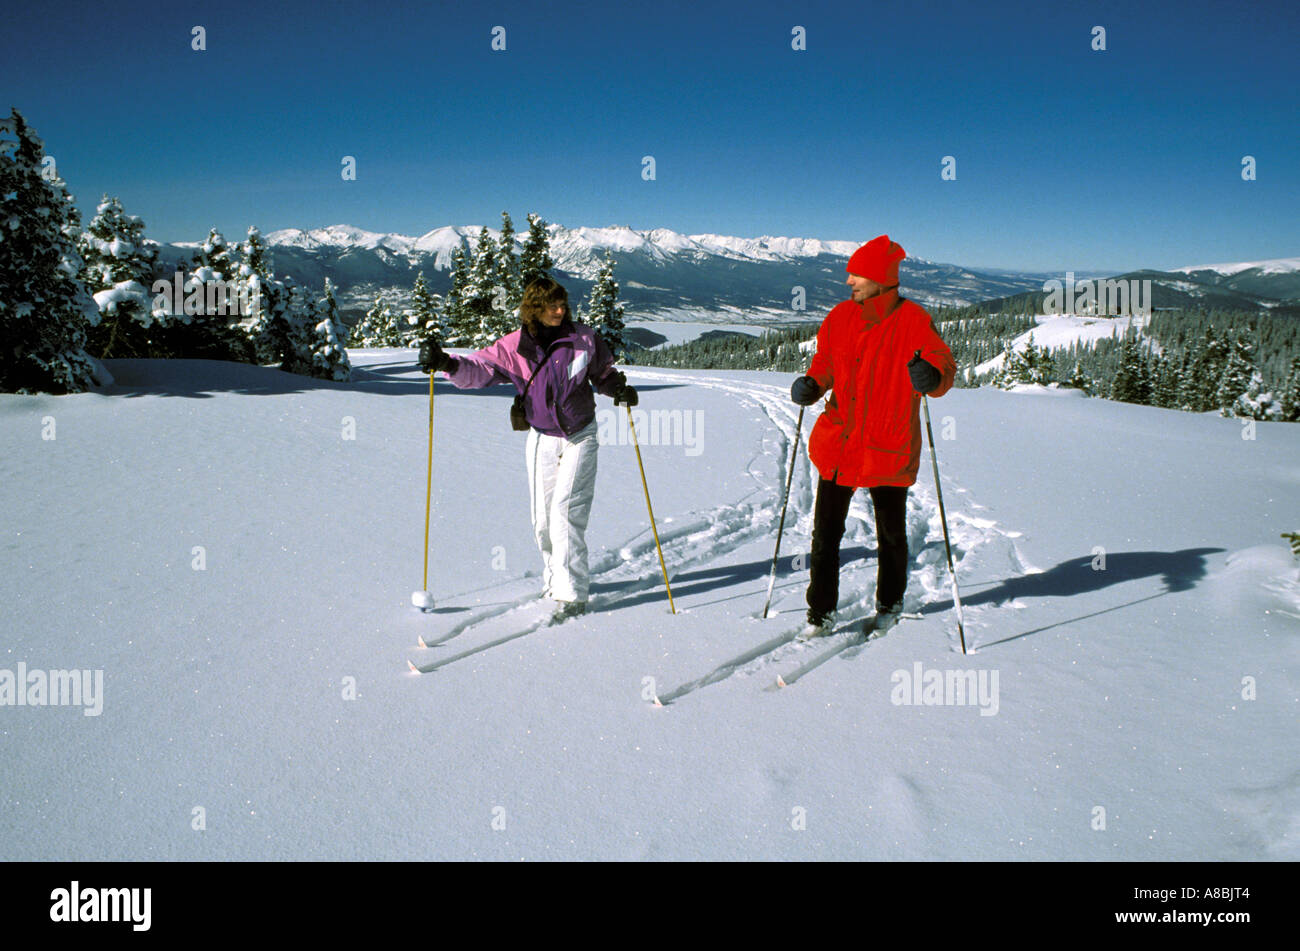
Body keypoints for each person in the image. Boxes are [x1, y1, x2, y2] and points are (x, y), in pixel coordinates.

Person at [418, 277, 637, 622]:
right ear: (533, 308)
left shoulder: (583, 338)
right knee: (542, 520)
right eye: (552, 306)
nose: (560, 310)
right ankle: (555, 581)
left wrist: (618, 388)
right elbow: (477, 371)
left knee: (566, 512)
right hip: (541, 438)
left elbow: (603, 372)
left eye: (563, 304)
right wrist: (447, 364)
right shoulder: (512, 347)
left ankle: (573, 594)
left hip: (580, 435)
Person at [790, 234, 956, 636]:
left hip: (887, 443)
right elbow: (825, 362)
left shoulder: (913, 321)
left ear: (882, 279)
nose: (849, 281)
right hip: (840, 443)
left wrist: (930, 376)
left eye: (857, 273)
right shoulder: (839, 318)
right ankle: (820, 613)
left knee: (891, 536)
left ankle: (890, 604)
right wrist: (812, 384)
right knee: (825, 535)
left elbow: (943, 367)